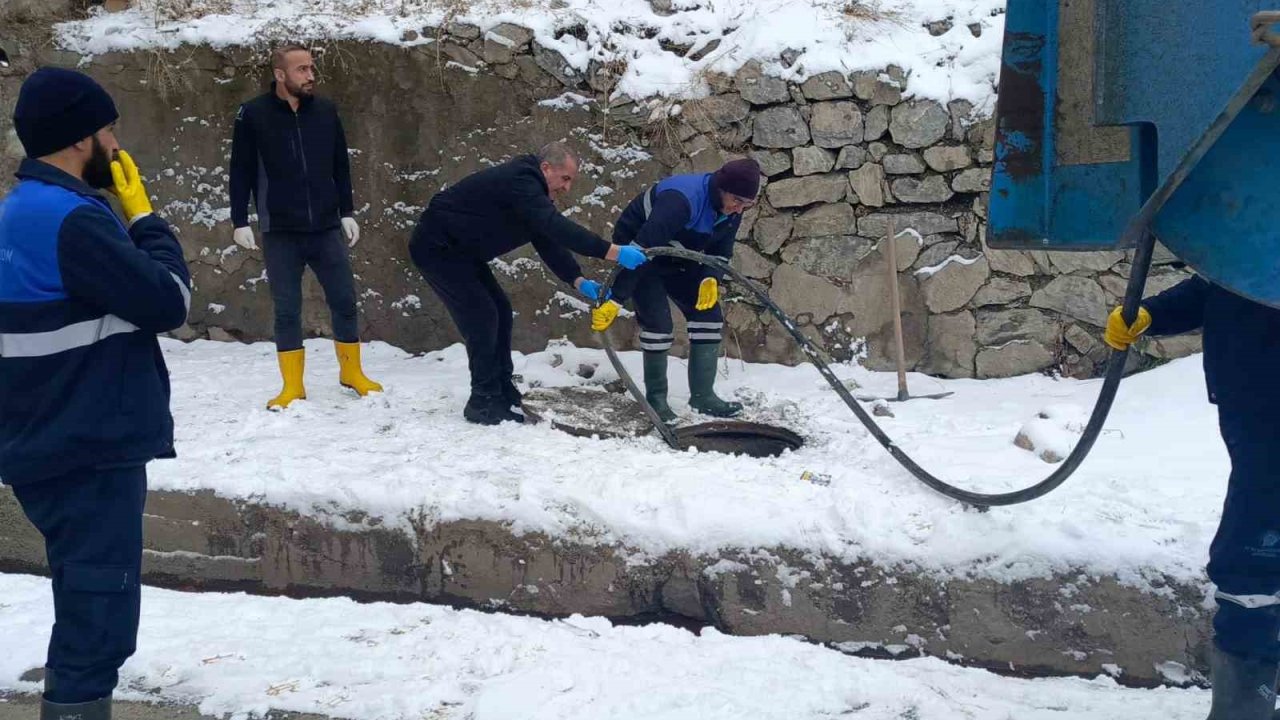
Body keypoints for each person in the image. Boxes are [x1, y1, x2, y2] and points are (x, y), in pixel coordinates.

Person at [0, 68, 191, 720]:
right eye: (109, 129)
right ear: (84, 138)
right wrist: (145, 217)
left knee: (85, 604)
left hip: (45, 437)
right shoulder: (73, 220)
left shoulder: (16, 211)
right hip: (86, 446)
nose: (117, 144)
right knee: (96, 622)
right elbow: (169, 301)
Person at [1106, 277, 1280, 720]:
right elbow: (1222, 279)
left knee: (1253, 556)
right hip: (1253, 402)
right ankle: (1244, 707)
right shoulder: (1254, 223)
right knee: (1253, 551)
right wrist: (1152, 313)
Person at [409, 142, 648, 425]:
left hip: (462, 254)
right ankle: (482, 400)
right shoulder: (520, 180)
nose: (567, 188)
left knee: (499, 309)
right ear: (546, 168)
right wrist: (614, 252)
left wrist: (578, 279)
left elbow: (548, 240)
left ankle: (502, 391)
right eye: (565, 178)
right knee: (482, 317)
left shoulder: (531, 194)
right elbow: (556, 227)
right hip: (438, 249)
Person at [229, 43, 381, 410]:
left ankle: (351, 373)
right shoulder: (253, 114)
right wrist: (239, 220)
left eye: (311, 68)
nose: (310, 75)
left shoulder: (326, 111)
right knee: (287, 309)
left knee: (344, 300)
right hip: (280, 230)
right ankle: (292, 386)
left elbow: (340, 164)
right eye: (302, 70)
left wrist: (347, 210)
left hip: (326, 227)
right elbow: (241, 170)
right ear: (280, 75)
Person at [590, 158, 760, 422]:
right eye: (737, 201)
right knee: (658, 324)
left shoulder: (733, 209)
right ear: (721, 189)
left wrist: (710, 278)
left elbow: (720, 252)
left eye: (746, 204)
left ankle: (704, 397)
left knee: (708, 316)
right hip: (639, 253)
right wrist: (616, 297)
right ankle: (656, 400)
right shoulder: (681, 200)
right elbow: (640, 250)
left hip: (679, 255)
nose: (739, 209)